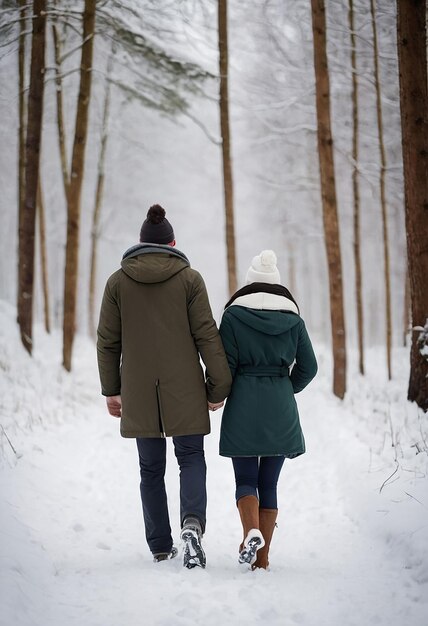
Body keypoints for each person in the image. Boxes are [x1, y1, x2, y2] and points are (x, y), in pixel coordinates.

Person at [97, 204, 232, 568]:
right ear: (172, 243)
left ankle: (160, 545)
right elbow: (206, 334)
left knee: (150, 469)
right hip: (185, 387)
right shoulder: (190, 279)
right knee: (190, 458)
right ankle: (192, 524)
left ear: (140, 244)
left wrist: (112, 390)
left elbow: (107, 341)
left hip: (138, 390)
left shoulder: (117, 282)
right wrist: (218, 386)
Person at [219, 250, 318, 569]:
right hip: (280, 403)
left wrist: (217, 394)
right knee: (269, 483)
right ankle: (261, 560)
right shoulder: (293, 320)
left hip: (244, 403)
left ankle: (251, 531)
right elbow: (309, 367)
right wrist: (287, 388)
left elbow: (227, 367)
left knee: (245, 478)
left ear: (249, 284)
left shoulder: (233, 317)